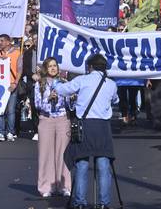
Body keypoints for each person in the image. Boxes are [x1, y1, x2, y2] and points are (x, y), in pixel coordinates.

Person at [52, 53, 118, 209]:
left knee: (81, 164)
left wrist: (55, 82)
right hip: (102, 127)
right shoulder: (111, 84)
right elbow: (115, 100)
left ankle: (80, 202)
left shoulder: (82, 80)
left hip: (85, 125)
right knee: (103, 165)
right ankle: (104, 203)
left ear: (90, 67)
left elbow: (63, 90)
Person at [33, 57, 71, 198]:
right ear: (45, 69)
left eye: (55, 65)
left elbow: (69, 106)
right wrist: (48, 98)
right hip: (46, 119)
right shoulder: (40, 84)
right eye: (50, 66)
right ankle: (46, 187)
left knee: (63, 154)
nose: (53, 68)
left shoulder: (64, 83)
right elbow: (37, 105)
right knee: (45, 154)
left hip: (63, 119)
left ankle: (64, 186)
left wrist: (72, 98)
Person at [0, 34, 22, 142]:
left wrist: (15, 83)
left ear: (8, 42)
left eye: (2, 41)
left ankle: (10, 132)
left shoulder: (16, 53)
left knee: (10, 111)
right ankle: (0, 132)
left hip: (11, 84)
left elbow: (19, 69)